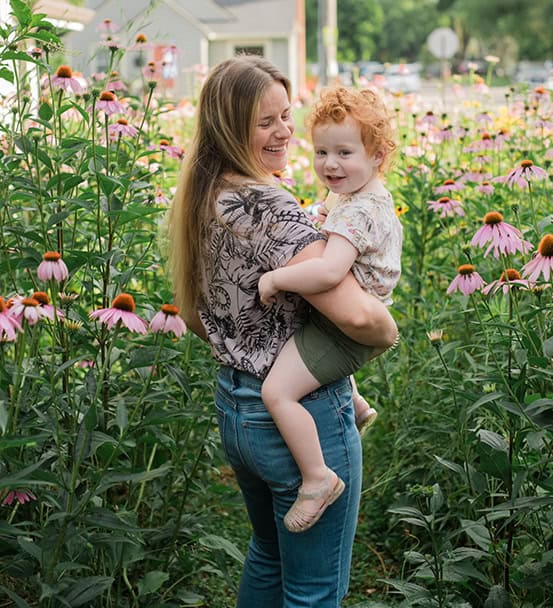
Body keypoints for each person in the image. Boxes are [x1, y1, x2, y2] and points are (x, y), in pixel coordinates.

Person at [168, 56, 397, 607]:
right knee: (314, 591)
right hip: (302, 418)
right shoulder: (272, 210)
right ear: (230, 126)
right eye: (265, 121)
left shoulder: (203, 196)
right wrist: (388, 330)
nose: (285, 133)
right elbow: (361, 318)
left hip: (236, 408)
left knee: (269, 557)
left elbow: (194, 314)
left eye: (286, 116)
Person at [257, 86, 402, 534]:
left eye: (344, 152)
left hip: (346, 331)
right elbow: (323, 220)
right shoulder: (362, 196)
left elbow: (327, 273)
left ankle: (318, 478)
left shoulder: (358, 213)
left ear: (377, 154)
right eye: (321, 152)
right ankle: (355, 403)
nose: (330, 164)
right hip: (352, 320)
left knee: (277, 393)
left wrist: (277, 278)